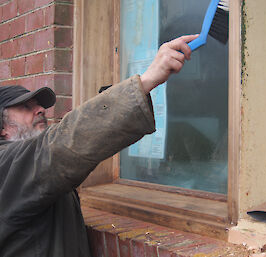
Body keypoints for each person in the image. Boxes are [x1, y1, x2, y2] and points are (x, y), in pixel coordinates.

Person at [0, 35, 198, 257]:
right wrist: (145, 81)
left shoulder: (27, 167)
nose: (40, 110)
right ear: (2, 128)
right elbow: (59, 147)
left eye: (39, 106)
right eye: (26, 106)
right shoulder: (6, 167)